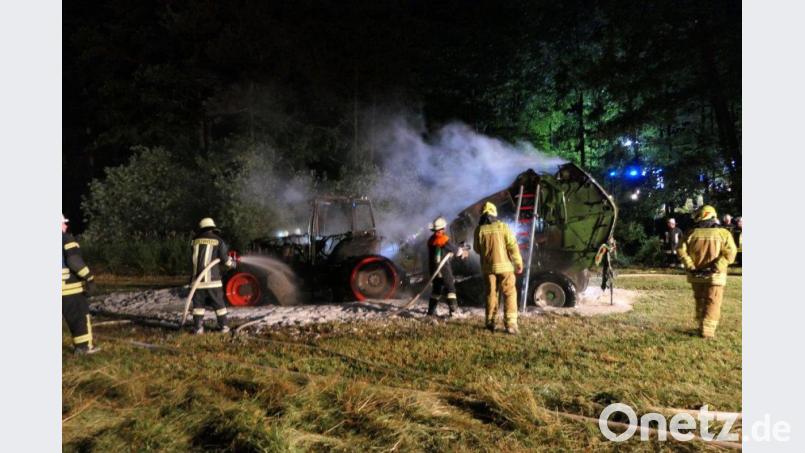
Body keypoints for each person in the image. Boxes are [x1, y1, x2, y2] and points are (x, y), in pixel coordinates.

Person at [676, 205, 737, 339]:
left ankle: (700, 325)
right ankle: (707, 331)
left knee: (700, 299)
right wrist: (716, 266)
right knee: (712, 302)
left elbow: (680, 250)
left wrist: (690, 265)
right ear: (713, 216)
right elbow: (730, 253)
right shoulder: (723, 233)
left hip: (695, 275)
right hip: (715, 276)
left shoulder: (690, 233)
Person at [473, 202, 524, 334]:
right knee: (510, 293)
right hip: (505, 268)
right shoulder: (503, 227)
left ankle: (490, 322)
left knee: (491, 294)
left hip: (488, 269)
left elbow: (477, 249)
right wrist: (518, 263)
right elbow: (512, 246)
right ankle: (511, 324)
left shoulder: (479, 230)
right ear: (494, 213)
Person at [62, 214, 100, 354]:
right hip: (68, 289)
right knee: (78, 318)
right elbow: (74, 261)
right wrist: (89, 277)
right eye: (64, 223)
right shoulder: (65, 239)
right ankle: (83, 348)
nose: (66, 226)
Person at [190, 218, 236, 334]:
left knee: (198, 307)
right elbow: (225, 260)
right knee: (219, 305)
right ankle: (224, 327)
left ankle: (198, 328)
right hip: (213, 281)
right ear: (212, 228)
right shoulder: (218, 241)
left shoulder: (194, 241)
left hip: (197, 281)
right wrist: (233, 264)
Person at [426, 216, 467, 317]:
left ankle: (431, 312)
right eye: (443, 228)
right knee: (451, 289)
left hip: (434, 269)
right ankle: (453, 311)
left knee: (436, 290)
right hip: (443, 268)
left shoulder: (431, 239)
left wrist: (453, 249)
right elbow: (456, 251)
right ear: (442, 229)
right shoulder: (442, 239)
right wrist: (462, 251)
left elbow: (445, 250)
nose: (444, 229)